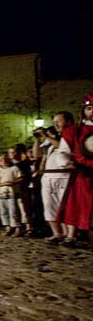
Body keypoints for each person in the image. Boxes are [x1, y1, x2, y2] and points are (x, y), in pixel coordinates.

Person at [55, 91, 93, 246]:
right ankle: (72, 235)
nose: (92, 111)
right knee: (76, 205)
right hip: (82, 175)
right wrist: (66, 162)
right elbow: (62, 152)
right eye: (89, 108)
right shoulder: (74, 131)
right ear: (84, 110)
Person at [34, 112, 74, 244]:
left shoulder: (70, 136)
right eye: (54, 121)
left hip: (63, 175)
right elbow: (37, 154)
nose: (56, 124)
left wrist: (47, 135)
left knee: (66, 206)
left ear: (68, 122)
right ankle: (57, 233)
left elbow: (62, 147)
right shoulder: (50, 141)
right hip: (48, 175)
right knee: (49, 206)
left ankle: (70, 235)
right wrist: (37, 139)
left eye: (59, 121)